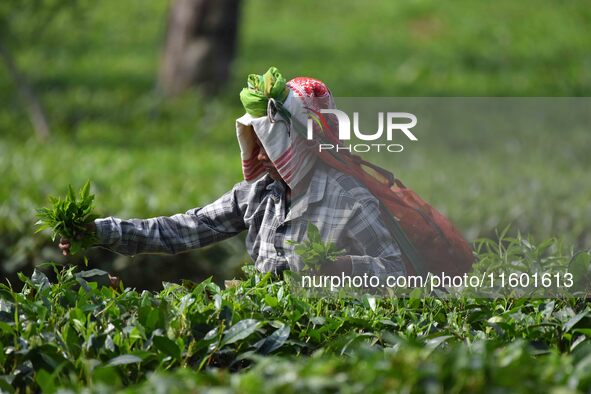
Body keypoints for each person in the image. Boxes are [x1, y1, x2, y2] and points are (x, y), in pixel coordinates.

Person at [59, 68, 405, 280]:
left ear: (300, 145)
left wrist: (344, 267)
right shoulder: (258, 194)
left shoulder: (349, 200)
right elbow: (181, 231)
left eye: (271, 144)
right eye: (257, 143)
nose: (260, 156)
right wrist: (100, 231)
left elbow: (396, 271)